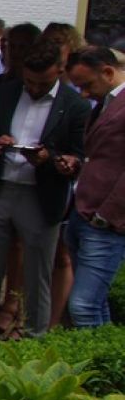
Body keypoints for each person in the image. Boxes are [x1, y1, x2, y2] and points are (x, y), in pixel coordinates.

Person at [0, 39, 89, 350]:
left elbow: (78, 156)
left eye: (42, 83)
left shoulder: (74, 105)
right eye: (30, 82)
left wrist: (52, 159)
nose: (35, 88)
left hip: (41, 194)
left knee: (39, 274)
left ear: (59, 71)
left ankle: (35, 343)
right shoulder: (4, 92)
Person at [63, 47, 125, 328]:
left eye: (87, 85)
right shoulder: (107, 102)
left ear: (108, 72)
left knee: (83, 306)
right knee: (94, 303)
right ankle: (105, 351)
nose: (84, 94)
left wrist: (107, 215)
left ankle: (94, 357)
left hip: (105, 221)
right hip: (83, 212)